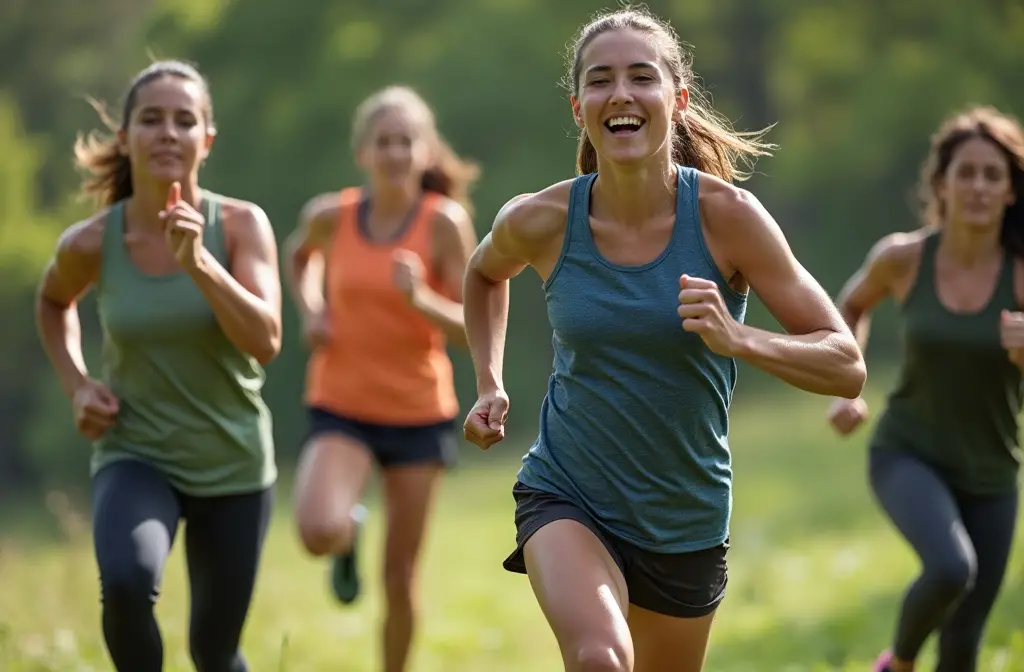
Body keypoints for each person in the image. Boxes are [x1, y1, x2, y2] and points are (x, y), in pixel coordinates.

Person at [460, 7, 866, 672]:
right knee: (600, 659)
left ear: (676, 100)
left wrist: (740, 339)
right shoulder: (540, 219)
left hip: (685, 518)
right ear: (579, 107)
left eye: (640, 77)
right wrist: (490, 382)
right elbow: (482, 274)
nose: (620, 93)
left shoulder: (727, 219)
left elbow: (846, 363)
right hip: (568, 491)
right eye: (600, 80)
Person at [33, 60, 281, 672]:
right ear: (125, 137)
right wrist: (77, 383)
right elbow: (53, 300)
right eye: (151, 119)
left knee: (214, 652)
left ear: (207, 139)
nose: (167, 132)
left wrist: (198, 262)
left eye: (184, 120)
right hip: (136, 452)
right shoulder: (91, 242)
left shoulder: (242, 225)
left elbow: (266, 339)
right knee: (124, 581)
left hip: (233, 461)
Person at [285, 85, 479, 672]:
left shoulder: (444, 224)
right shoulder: (331, 217)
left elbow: (475, 327)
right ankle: (348, 531)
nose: (395, 152)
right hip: (342, 401)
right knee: (317, 530)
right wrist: (311, 308)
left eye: (406, 141)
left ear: (425, 152)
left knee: (399, 577)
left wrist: (420, 299)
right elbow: (297, 255)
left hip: (418, 412)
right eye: (383, 141)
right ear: (362, 152)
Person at [827, 105, 1024, 672]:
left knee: (963, 645)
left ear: (1011, 192)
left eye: (994, 175)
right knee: (950, 569)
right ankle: (900, 664)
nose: (979, 187)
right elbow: (852, 305)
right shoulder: (903, 257)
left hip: (993, 475)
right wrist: (846, 384)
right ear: (942, 183)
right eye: (967, 172)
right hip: (909, 454)